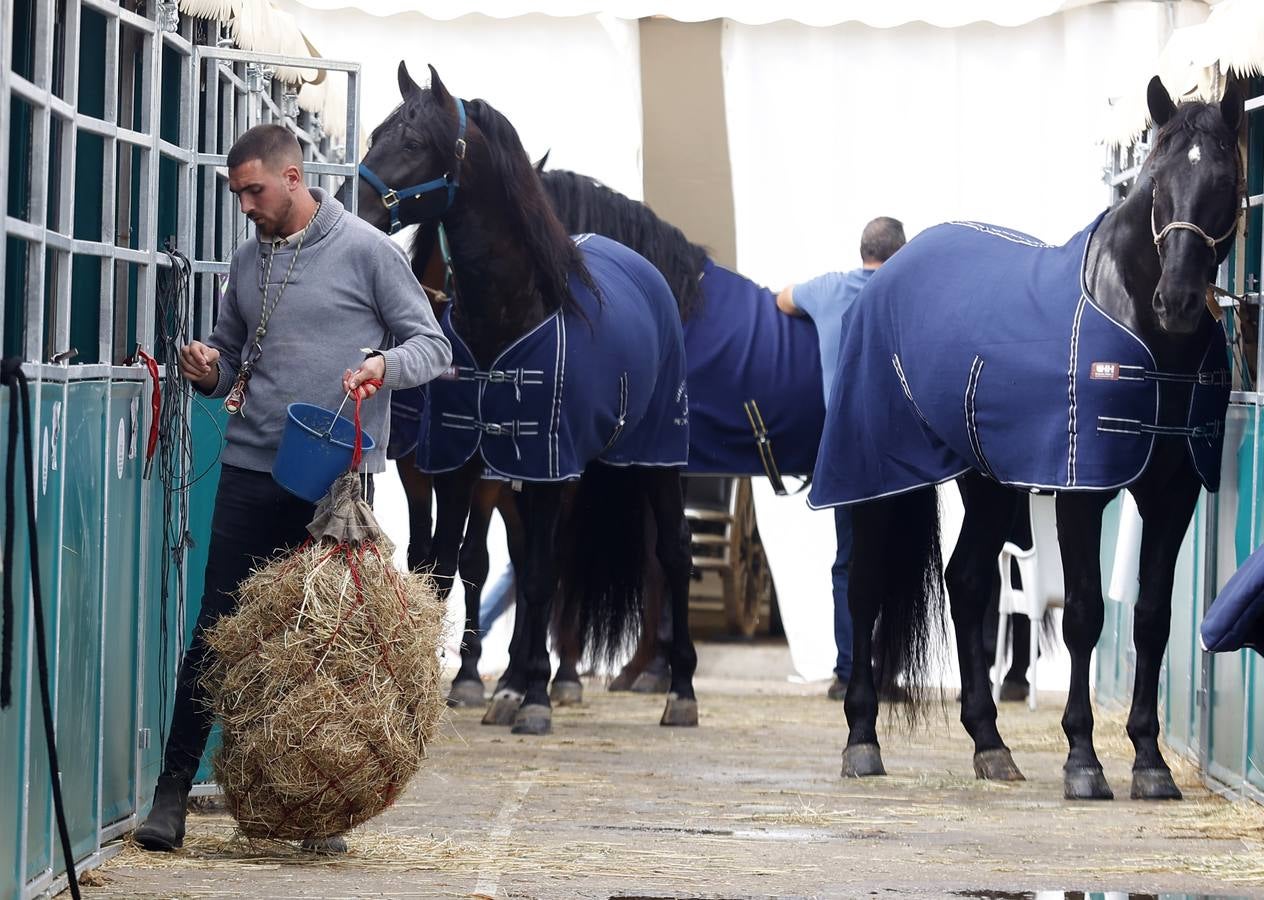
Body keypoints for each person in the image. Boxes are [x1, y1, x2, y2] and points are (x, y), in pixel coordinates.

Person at [134, 125, 452, 853]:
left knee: (330, 647)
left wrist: (381, 366)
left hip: (338, 485)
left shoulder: (370, 251)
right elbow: (232, 361)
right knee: (217, 631)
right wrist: (206, 367)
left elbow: (431, 346)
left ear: (294, 176)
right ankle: (172, 794)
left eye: (254, 190)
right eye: (236, 193)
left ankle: (322, 819)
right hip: (252, 468)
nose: (244, 205)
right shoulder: (248, 262)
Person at [776, 217, 906, 700]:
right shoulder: (905, 293)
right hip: (899, 451)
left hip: (843, 448)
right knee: (897, 560)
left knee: (848, 561)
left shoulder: (829, 289)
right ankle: (888, 669)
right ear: (900, 255)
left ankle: (849, 670)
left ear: (863, 251)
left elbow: (782, 298)